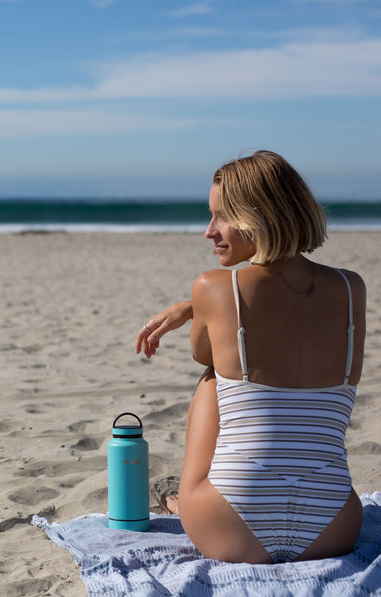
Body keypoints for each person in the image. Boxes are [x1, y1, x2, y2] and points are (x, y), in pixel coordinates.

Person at [134, 150, 366, 564]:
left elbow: (204, 352)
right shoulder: (352, 289)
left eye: (222, 215)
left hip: (230, 526)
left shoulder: (215, 286)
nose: (209, 231)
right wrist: (196, 306)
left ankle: (185, 502)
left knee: (212, 375)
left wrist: (192, 306)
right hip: (335, 527)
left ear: (259, 215)